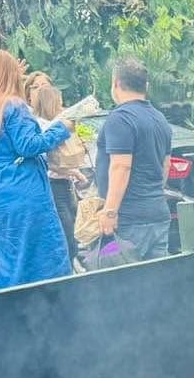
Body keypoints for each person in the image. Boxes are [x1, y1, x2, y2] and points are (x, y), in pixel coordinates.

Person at [0, 50, 75, 288]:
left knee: (11, 257)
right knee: (46, 256)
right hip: (25, 193)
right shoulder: (12, 105)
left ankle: (13, 305)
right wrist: (62, 128)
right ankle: (54, 304)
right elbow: (29, 145)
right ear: (10, 74)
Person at [95, 57, 173, 261]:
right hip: (158, 215)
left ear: (116, 83)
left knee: (122, 278)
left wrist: (110, 212)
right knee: (156, 278)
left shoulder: (120, 118)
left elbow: (121, 167)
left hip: (129, 223)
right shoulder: (160, 119)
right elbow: (166, 166)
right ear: (146, 86)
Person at [30, 83, 89, 267]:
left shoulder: (59, 124)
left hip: (66, 184)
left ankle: (75, 264)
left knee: (75, 229)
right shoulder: (45, 127)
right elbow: (48, 162)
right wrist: (74, 172)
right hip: (54, 185)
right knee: (67, 233)